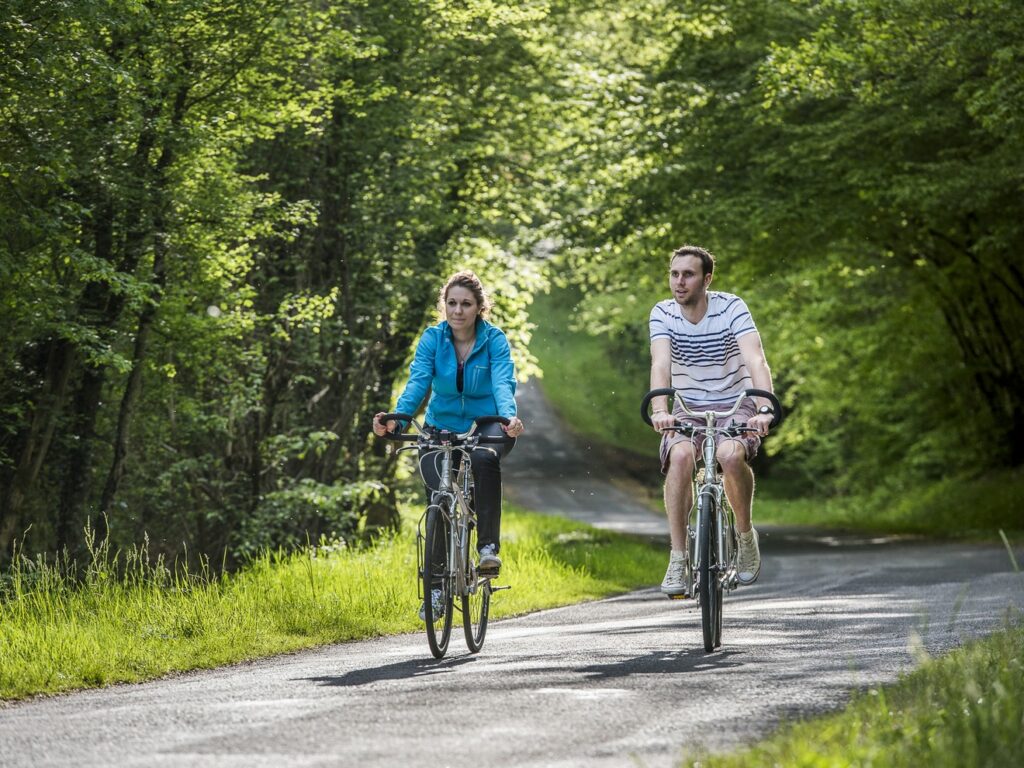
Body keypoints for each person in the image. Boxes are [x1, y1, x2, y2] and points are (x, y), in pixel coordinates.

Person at [373, 270, 525, 621]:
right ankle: (436, 589)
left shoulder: (495, 340)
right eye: (452, 303)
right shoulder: (432, 339)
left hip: (487, 423)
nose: (458, 310)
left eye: (466, 304)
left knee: (485, 459)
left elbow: (503, 383)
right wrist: (397, 417)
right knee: (437, 500)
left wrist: (508, 418)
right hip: (440, 425)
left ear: (479, 308)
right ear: (444, 306)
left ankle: (487, 548)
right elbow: (417, 382)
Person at [647, 245, 776, 597]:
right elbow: (660, 365)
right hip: (688, 406)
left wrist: (764, 408)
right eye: (674, 274)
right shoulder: (663, 313)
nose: (679, 281)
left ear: (707, 279)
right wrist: (661, 408)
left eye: (688, 274)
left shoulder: (731, 308)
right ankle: (678, 556)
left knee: (731, 456)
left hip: (737, 402)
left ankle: (745, 535)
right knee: (681, 457)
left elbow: (755, 359)